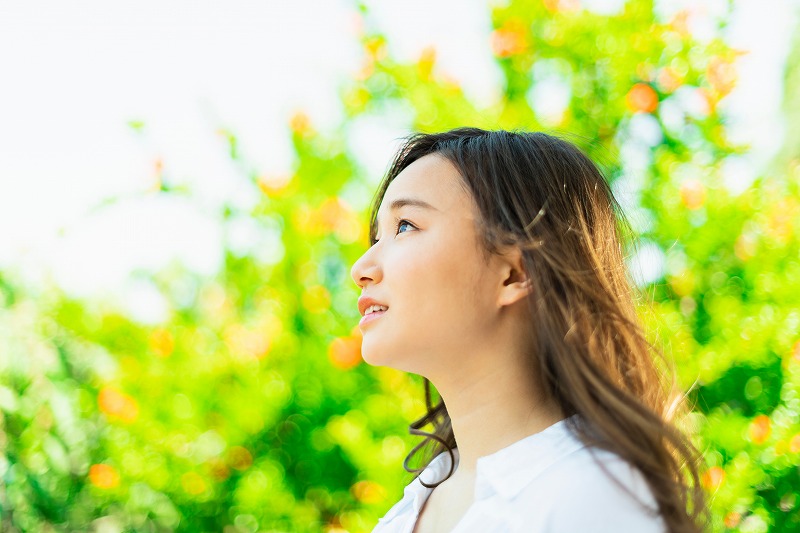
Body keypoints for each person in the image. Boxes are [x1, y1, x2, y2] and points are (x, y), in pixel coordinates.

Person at [349, 128, 708, 533]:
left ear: (514, 273)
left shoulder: (594, 496)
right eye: (378, 236)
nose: (360, 268)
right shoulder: (410, 510)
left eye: (405, 226)